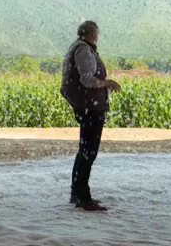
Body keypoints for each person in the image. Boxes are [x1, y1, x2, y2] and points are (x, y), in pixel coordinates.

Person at [60, 20, 121, 211]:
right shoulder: (84, 50)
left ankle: (77, 193)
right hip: (90, 107)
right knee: (88, 152)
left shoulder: (78, 47)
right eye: (97, 33)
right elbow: (87, 79)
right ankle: (83, 197)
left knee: (85, 150)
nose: (98, 36)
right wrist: (107, 83)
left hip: (87, 106)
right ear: (92, 34)